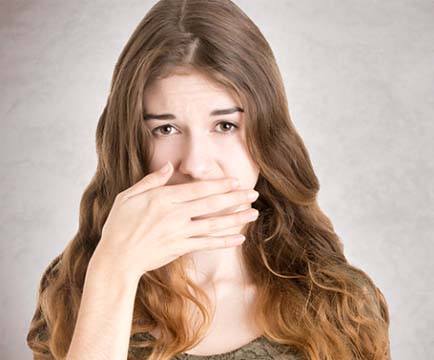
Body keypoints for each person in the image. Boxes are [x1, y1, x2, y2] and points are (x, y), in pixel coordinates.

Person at [26, 0, 391, 359]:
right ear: (132, 141)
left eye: (225, 125)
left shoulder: (341, 303)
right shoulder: (74, 289)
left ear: (268, 135)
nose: (197, 165)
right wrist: (112, 273)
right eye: (165, 128)